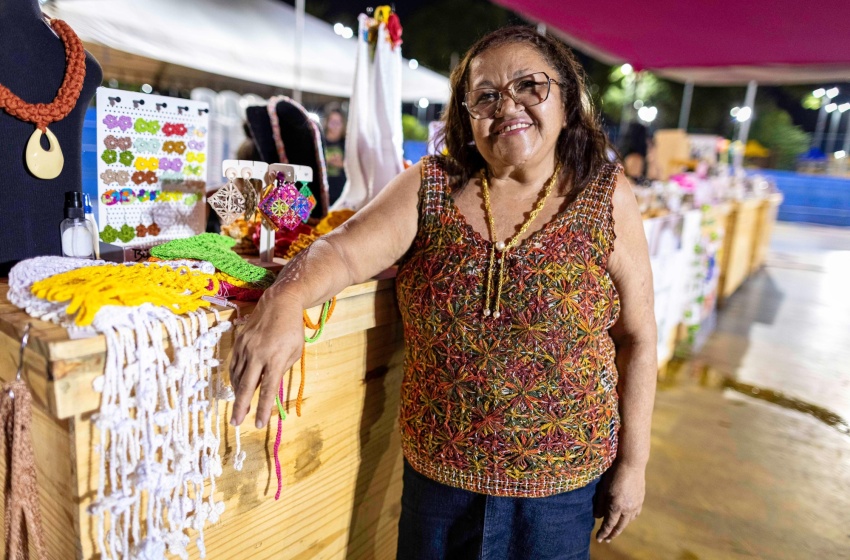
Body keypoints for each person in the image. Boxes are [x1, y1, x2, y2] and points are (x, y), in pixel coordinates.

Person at [230, 25, 657, 560]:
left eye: (530, 86)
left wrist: (634, 466)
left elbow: (638, 338)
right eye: (486, 95)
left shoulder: (606, 196)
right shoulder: (431, 185)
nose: (509, 106)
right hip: (439, 486)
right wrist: (285, 298)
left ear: (567, 102)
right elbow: (340, 251)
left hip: (560, 495)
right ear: (466, 116)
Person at [323, 106, 347, 205]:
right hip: (323, 194)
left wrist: (341, 164)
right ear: (327, 122)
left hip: (341, 195)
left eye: (338, 122)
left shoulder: (346, 143)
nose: (335, 126)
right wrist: (325, 162)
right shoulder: (320, 142)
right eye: (333, 122)